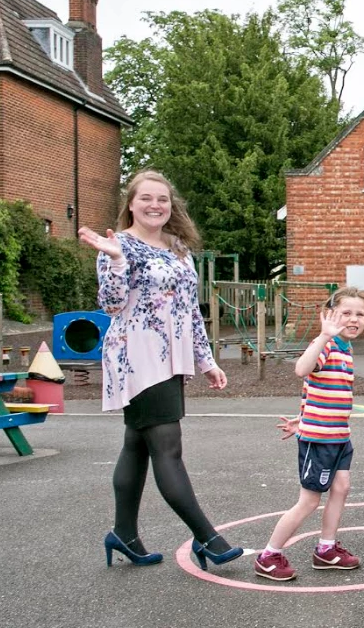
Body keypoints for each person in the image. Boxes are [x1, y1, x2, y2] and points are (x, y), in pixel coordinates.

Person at [80, 170, 243, 570]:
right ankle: (209, 538)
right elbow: (113, 305)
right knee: (167, 448)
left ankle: (124, 535)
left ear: (171, 206)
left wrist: (206, 360)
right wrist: (117, 259)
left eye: (163, 199)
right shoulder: (118, 245)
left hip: (171, 358)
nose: (156, 205)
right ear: (131, 204)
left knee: (136, 445)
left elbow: (188, 310)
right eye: (147, 198)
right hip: (137, 358)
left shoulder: (177, 247)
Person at [253, 287, 364, 581]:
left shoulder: (346, 348)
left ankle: (326, 549)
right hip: (320, 441)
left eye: (360, 314)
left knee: (341, 488)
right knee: (309, 500)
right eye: (346, 313)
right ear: (330, 315)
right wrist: (323, 336)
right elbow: (302, 369)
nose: (354, 319)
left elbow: (319, 391)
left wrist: (301, 418)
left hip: (339, 437)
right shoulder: (329, 345)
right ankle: (268, 555)